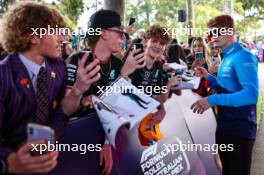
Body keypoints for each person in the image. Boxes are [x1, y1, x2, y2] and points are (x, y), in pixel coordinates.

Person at [61, 9, 144, 174]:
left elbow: (122, 109)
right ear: (103, 33)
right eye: (119, 32)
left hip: (111, 139)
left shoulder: (119, 64)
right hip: (79, 142)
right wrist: (81, 96)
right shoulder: (79, 59)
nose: (123, 37)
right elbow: (65, 109)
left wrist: (124, 76)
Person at [0, 2, 69, 174]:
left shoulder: (59, 67)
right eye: (54, 31)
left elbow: (61, 113)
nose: (62, 38)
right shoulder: (3, 75)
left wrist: (45, 142)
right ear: (33, 37)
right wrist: (10, 161)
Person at [191, 15, 258, 175]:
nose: (212, 37)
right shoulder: (226, 56)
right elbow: (227, 87)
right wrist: (208, 76)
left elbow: (250, 94)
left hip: (240, 130)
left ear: (231, 31)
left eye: (216, 32)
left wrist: (213, 99)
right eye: (210, 33)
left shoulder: (243, 56)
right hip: (224, 126)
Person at [121, 25, 182, 145]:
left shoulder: (158, 66)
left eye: (162, 43)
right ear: (145, 42)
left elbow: (158, 99)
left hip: (139, 126)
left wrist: (168, 86)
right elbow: (119, 96)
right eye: (154, 41)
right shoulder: (134, 61)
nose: (158, 46)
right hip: (123, 124)